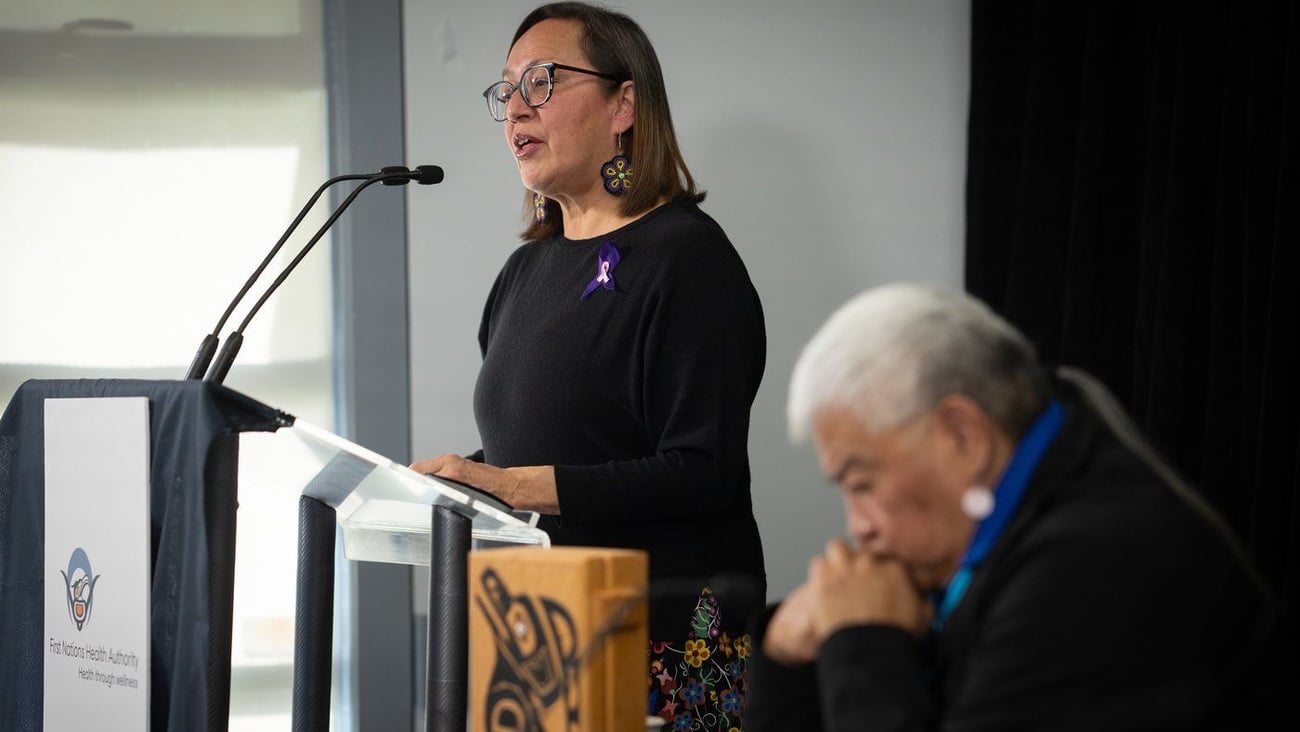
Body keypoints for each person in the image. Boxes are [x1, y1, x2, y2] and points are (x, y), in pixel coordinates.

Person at [410, 3, 766, 729]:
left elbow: (702, 467)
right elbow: (546, 450)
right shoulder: (525, 271)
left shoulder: (688, 260)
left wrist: (509, 484)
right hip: (535, 629)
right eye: (505, 90)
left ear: (623, 104)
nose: (515, 108)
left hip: (669, 641)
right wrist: (462, 483)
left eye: (541, 81)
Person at [744, 283, 1289, 730]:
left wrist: (863, 646)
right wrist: (784, 656)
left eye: (862, 484)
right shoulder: (1030, 516)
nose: (859, 529)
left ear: (963, 436)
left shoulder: (1093, 567)